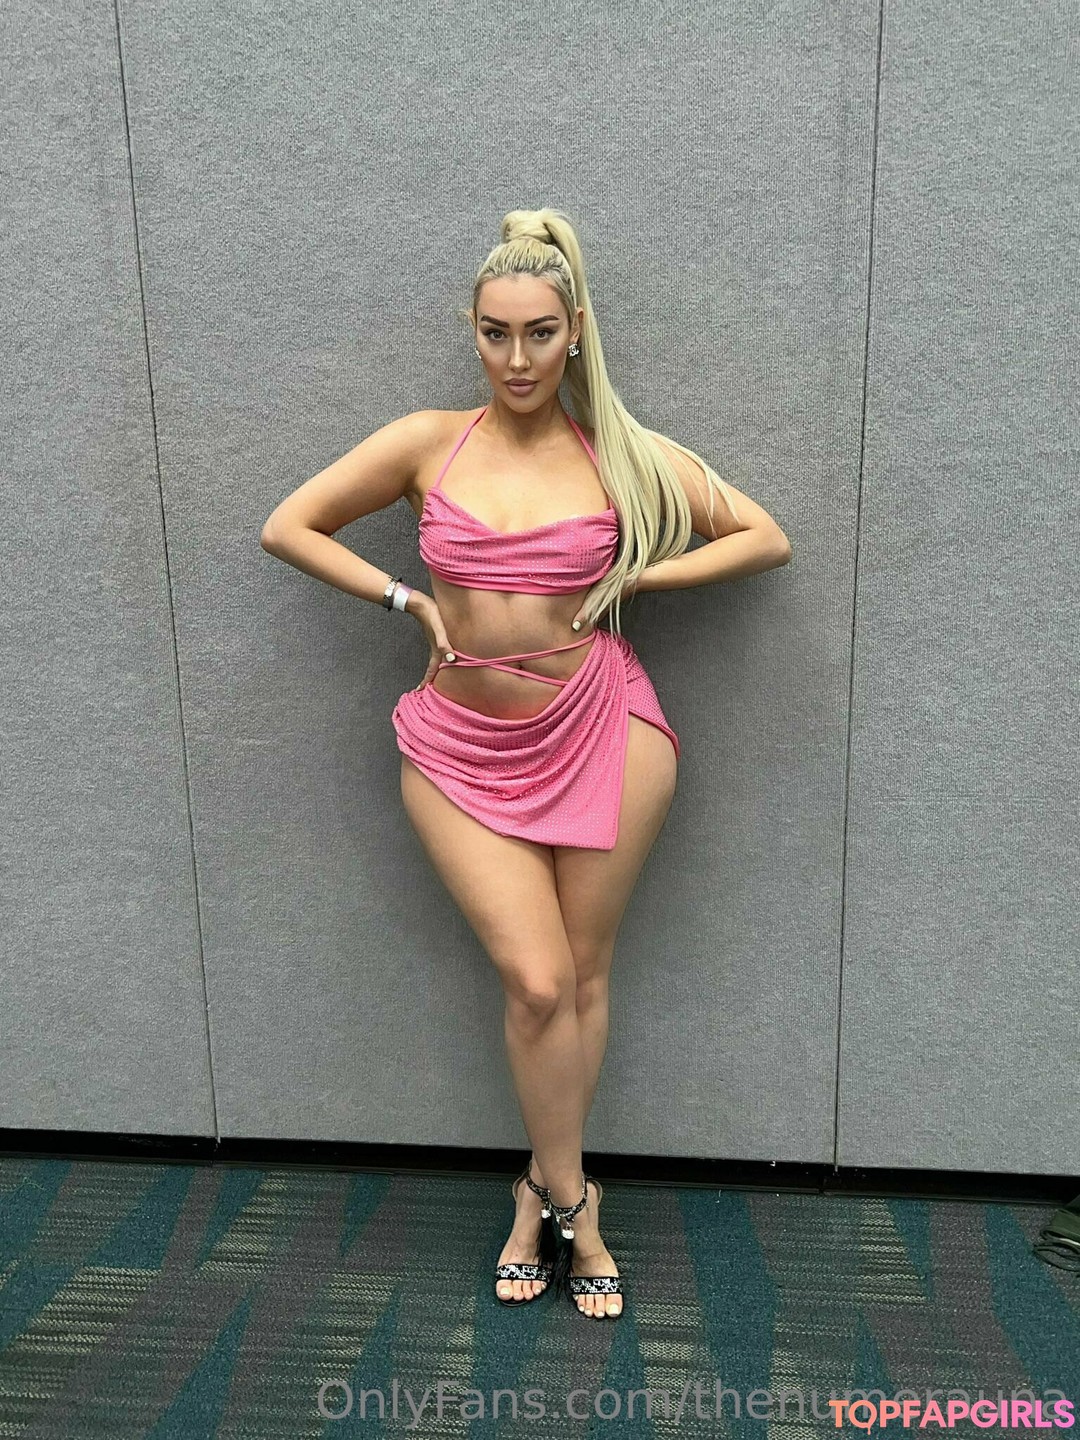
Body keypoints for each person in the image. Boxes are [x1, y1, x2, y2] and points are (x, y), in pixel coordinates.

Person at [260, 207, 792, 1321]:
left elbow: (763, 537)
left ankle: (542, 1198)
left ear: (576, 330)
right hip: (458, 743)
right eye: (495, 333)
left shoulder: (621, 454)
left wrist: (642, 578)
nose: (516, 358)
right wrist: (404, 600)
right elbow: (289, 527)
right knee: (538, 981)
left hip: (603, 726)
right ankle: (572, 1202)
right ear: (473, 328)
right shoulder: (427, 442)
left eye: (540, 333)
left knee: (583, 979)